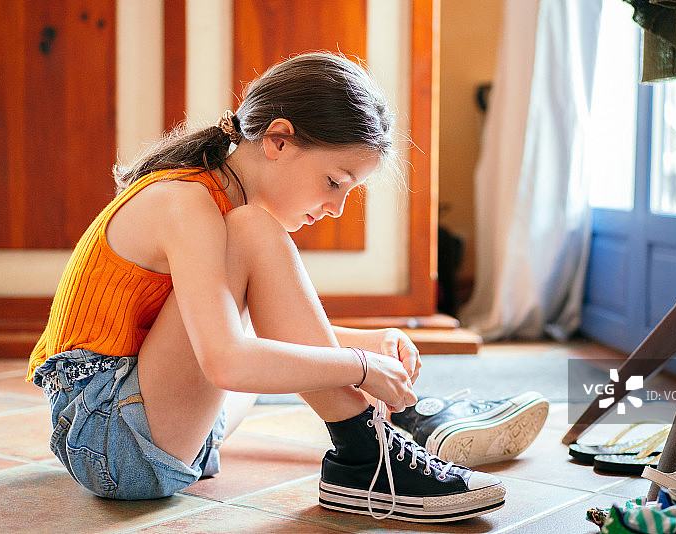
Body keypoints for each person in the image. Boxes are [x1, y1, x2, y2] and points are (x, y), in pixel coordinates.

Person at [25, 52, 516, 523]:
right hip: (111, 439)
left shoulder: (215, 203)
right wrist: (361, 367)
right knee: (252, 233)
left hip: (148, 425)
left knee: (272, 332)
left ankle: (394, 421)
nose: (336, 209)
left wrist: (367, 344)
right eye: (335, 182)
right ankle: (365, 452)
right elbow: (227, 362)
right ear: (278, 141)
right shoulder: (189, 204)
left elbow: (252, 338)